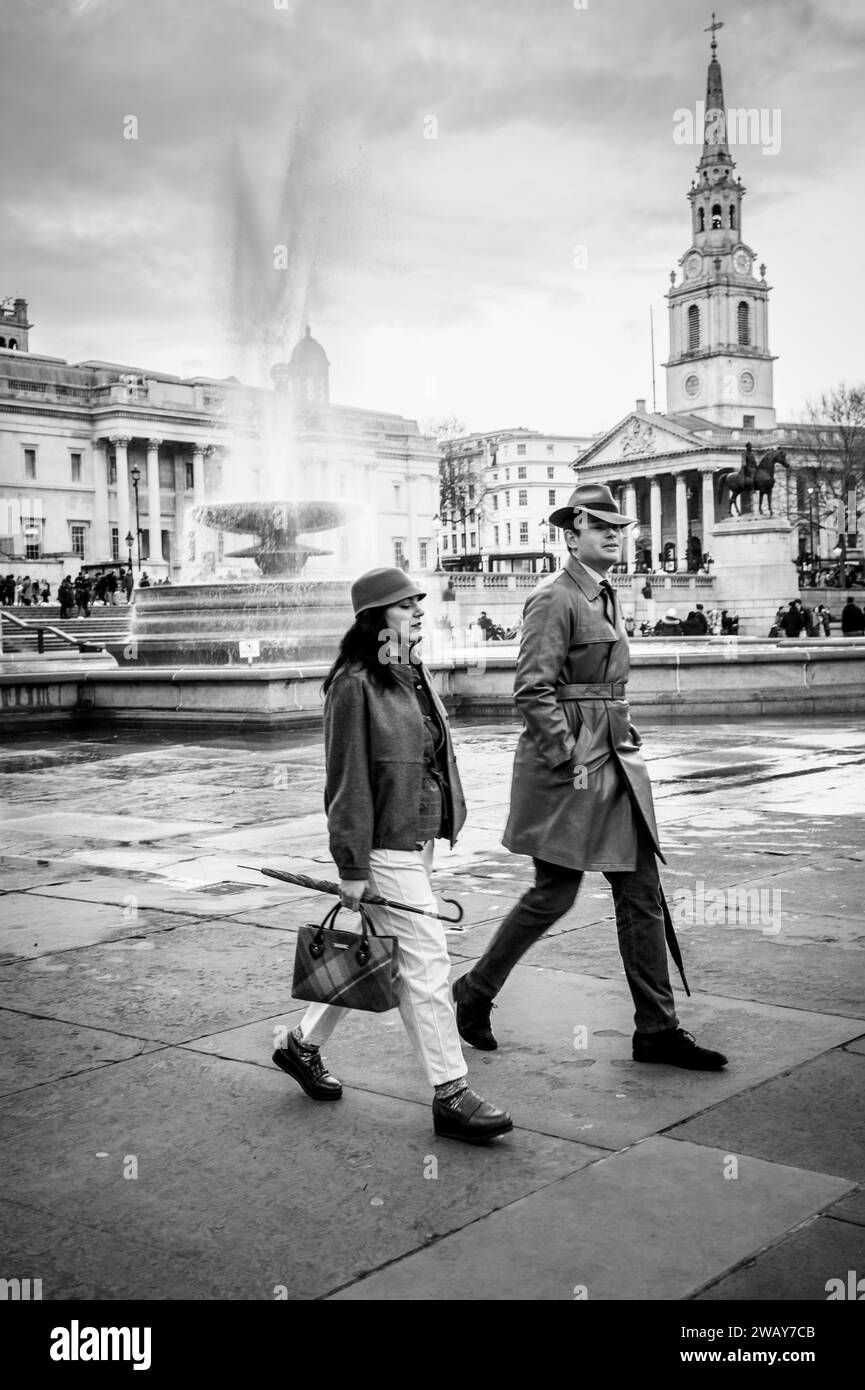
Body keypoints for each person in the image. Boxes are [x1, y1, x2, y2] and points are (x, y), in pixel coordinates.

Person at [451, 484, 726, 1071]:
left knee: (640, 890)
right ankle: (473, 992)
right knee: (555, 893)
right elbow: (532, 689)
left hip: (613, 754)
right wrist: (569, 758)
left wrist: (616, 735)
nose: (615, 534)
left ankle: (656, 1028)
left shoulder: (604, 593)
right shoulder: (554, 598)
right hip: (573, 767)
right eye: (601, 525)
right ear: (571, 533)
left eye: (618, 527)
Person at [272, 566, 514, 1144]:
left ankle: (300, 1047)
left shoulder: (412, 671)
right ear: (375, 617)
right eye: (406, 606)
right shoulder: (354, 684)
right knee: (426, 966)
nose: (418, 612)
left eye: (418, 603)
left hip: (418, 837)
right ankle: (450, 1092)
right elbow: (347, 783)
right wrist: (352, 866)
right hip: (383, 848)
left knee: (378, 954)